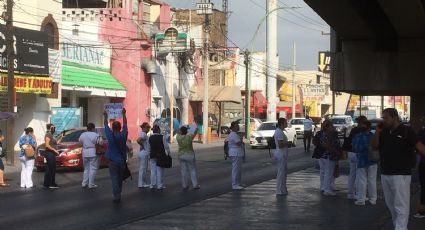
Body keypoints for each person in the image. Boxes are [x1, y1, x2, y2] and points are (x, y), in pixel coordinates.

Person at [371, 108, 425, 230]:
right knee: (391, 206)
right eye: (383, 117)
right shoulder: (383, 131)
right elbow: (374, 146)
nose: (383, 120)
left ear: (395, 117)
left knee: (401, 205)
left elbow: (420, 147)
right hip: (385, 173)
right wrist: (378, 132)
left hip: (401, 174)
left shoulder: (407, 131)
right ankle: (399, 227)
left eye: (386, 118)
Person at [104, 108, 128, 203]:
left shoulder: (110, 135)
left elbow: (105, 125)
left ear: (112, 128)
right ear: (120, 127)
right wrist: (124, 114)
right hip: (122, 161)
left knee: (114, 178)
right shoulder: (124, 134)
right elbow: (125, 124)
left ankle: (116, 195)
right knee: (120, 178)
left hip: (112, 161)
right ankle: (119, 193)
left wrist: (105, 116)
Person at [352, 121, 377, 206]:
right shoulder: (372, 136)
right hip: (372, 160)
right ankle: (373, 199)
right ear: (370, 128)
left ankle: (361, 199)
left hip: (361, 160)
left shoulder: (357, 136)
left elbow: (354, 147)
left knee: (361, 180)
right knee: (372, 180)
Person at [342, 115, 368, 200]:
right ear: (363, 122)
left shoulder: (353, 130)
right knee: (360, 175)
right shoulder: (363, 131)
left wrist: (345, 152)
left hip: (351, 153)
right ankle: (359, 193)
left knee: (352, 173)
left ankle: (350, 193)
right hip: (358, 153)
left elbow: (348, 141)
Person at [318, 120, 341, 196]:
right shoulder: (328, 134)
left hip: (326, 155)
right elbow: (326, 145)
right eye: (331, 126)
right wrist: (334, 151)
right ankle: (327, 189)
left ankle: (325, 187)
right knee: (328, 173)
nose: (333, 127)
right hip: (329, 156)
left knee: (327, 172)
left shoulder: (325, 134)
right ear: (327, 127)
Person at [176, 126, 200, 190]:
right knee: (192, 170)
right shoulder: (189, 137)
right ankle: (195, 185)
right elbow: (194, 133)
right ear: (186, 132)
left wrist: (181, 129)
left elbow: (177, 131)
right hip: (190, 155)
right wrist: (195, 129)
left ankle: (184, 185)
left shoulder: (178, 137)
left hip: (181, 155)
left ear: (181, 131)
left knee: (183, 171)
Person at [79, 123, 100, 189]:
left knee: (86, 169)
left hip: (85, 152)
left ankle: (84, 183)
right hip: (93, 152)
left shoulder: (83, 134)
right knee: (93, 168)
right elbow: (100, 142)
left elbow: (80, 142)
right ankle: (91, 184)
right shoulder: (96, 135)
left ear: (87, 128)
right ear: (93, 128)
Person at [149, 125, 170, 190]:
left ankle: (152, 184)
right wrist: (168, 153)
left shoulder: (150, 137)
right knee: (160, 170)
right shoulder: (162, 137)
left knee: (153, 171)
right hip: (160, 155)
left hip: (152, 155)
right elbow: (166, 146)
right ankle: (159, 185)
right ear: (158, 130)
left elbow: (149, 147)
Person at [274, 118, 290, 196]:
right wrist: (287, 143)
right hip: (281, 153)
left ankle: (283, 189)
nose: (286, 124)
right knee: (281, 172)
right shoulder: (279, 132)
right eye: (285, 122)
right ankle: (279, 190)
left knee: (283, 172)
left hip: (282, 153)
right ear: (281, 124)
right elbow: (280, 145)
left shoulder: (280, 131)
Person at [414, 114, 425, 218]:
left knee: (424, 186)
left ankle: (422, 210)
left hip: (423, 162)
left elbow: (417, 146)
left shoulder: (422, 132)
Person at [228, 121, 244, 190]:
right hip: (235, 153)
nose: (238, 127)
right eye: (237, 126)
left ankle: (238, 183)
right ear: (233, 127)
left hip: (237, 153)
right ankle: (234, 184)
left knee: (238, 169)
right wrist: (241, 137)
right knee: (236, 169)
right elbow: (238, 143)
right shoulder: (233, 134)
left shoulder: (234, 134)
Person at [43, 123, 60, 189]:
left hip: (52, 153)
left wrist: (62, 137)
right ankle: (49, 184)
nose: (54, 128)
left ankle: (50, 183)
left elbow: (56, 143)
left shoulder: (52, 135)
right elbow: (47, 145)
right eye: (53, 127)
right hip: (49, 153)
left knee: (52, 168)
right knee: (50, 168)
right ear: (50, 128)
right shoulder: (48, 134)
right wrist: (55, 150)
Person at [137, 122, 151, 188]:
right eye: (148, 127)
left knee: (142, 169)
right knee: (143, 169)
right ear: (144, 128)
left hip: (142, 153)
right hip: (144, 153)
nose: (149, 128)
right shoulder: (143, 134)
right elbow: (138, 140)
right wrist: (143, 146)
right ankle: (142, 183)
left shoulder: (143, 134)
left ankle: (142, 183)